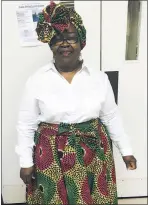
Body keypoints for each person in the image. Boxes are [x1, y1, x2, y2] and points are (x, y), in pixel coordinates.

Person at [16, 1, 137, 204]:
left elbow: (111, 116)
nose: (64, 44)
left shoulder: (99, 79)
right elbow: (25, 124)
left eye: (71, 38)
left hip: (94, 154)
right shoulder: (37, 80)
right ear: (51, 44)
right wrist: (25, 161)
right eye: (58, 39)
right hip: (51, 155)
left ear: (81, 42)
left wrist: (126, 151)